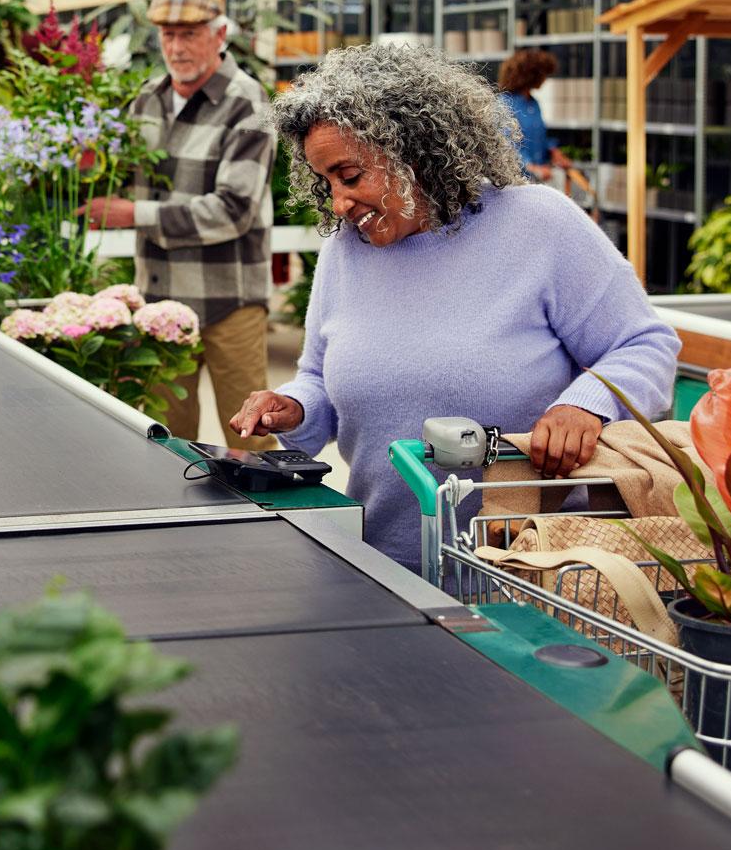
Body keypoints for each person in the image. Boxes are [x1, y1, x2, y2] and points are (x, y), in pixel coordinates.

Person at [228, 43, 678, 574]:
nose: (338, 203)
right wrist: (295, 407)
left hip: (530, 571)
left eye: (350, 176)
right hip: (383, 562)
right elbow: (319, 378)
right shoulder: (344, 250)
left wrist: (584, 405)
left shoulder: (539, 225)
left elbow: (645, 345)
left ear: (414, 149)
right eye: (325, 182)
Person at [78, 0, 276, 451]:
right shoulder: (147, 99)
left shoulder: (248, 102)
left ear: (220, 35)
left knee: (250, 442)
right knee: (166, 443)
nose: (176, 46)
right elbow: (115, 175)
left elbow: (233, 210)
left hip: (229, 301)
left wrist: (134, 213)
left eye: (189, 34)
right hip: (161, 301)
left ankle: (261, 526)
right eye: (168, 34)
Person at [497, 48, 575, 180]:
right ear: (530, 75)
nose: (545, 79)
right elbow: (507, 145)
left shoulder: (533, 103)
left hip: (535, 180)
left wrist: (553, 152)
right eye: (543, 74)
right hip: (515, 181)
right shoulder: (504, 104)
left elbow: (538, 137)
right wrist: (531, 167)